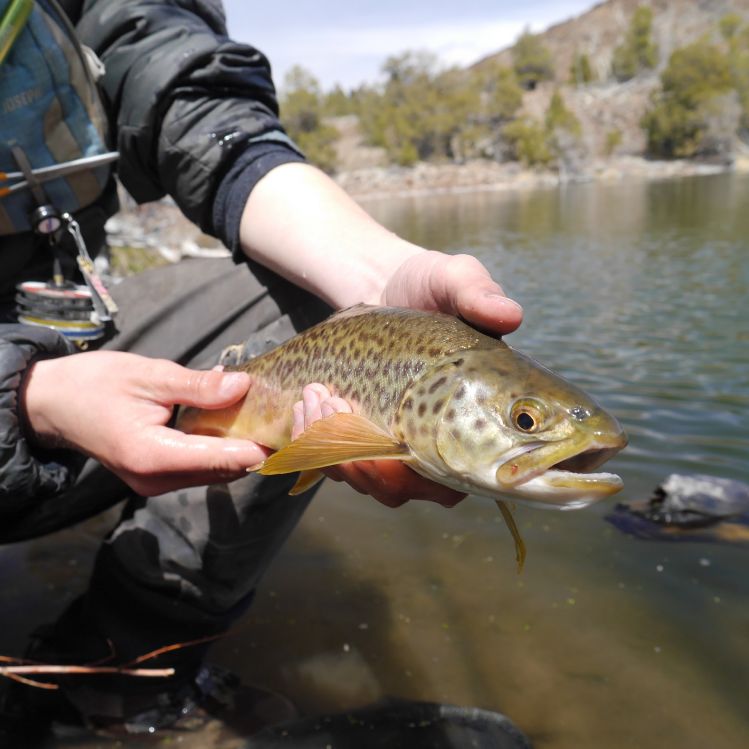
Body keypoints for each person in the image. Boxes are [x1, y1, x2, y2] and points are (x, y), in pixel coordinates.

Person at [0, 0, 523, 739]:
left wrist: (382, 270)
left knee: (314, 299)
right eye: (524, 424)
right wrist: (29, 398)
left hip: (52, 321)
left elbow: (185, 89)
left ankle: (124, 674)